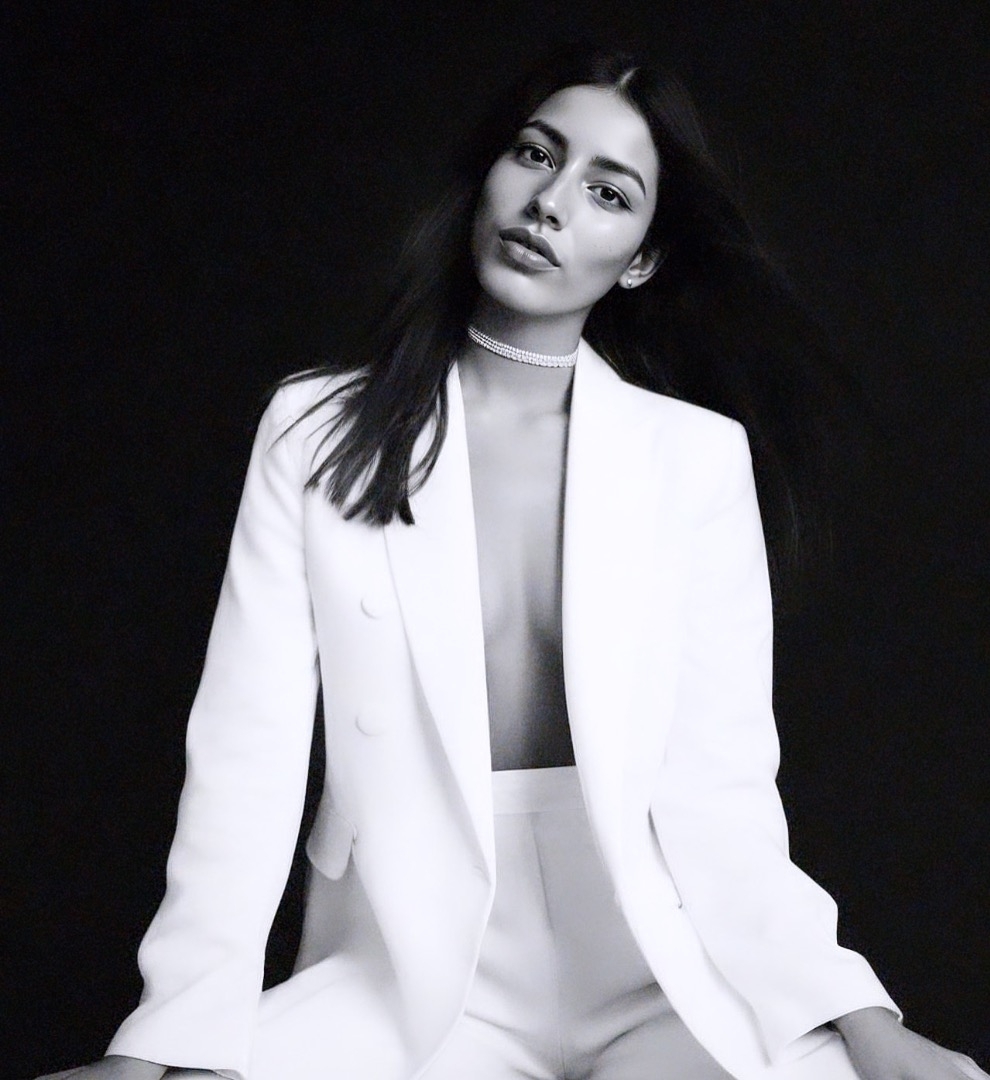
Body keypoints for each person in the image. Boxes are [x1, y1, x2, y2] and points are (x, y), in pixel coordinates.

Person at [36, 46, 986, 1080]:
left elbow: (723, 794)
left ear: (641, 260)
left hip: (656, 968)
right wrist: (162, 1039)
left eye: (608, 193)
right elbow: (245, 760)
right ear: (488, 173)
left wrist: (860, 1015)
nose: (550, 203)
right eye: (536, 154)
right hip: (412, 974)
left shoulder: (693, 460)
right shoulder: (316, 432)